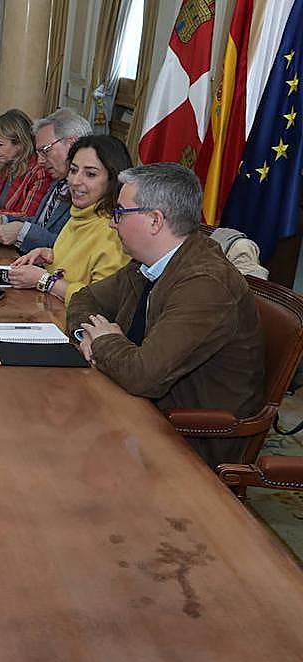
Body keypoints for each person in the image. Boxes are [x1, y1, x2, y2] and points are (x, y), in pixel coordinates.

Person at [68, 163, 265, 467]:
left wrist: (104, 343)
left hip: (186, 443)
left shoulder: (206, 284)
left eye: (120, 213)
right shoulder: (145, 264)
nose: (112, 224)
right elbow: (84, 298)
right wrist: (87, 337)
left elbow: (144, 376)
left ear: (155, 221)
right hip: (132, 410)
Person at [5, 135, 131, 305]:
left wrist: (44, 280)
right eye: (73, 170)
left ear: (113, 179)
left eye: (90, 174)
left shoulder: (115, 229)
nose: (75, 181)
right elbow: (77, 265)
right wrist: (50, 255)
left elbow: (102, 301)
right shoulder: (80, 214)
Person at [0, 108, 92, 253]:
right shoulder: (59, 181)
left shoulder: (85, 190)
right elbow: (38, 222)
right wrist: (0, 219)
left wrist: (21, 231)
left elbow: (69, 248)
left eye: (45, 150)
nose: (40, 161)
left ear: (71, 143)